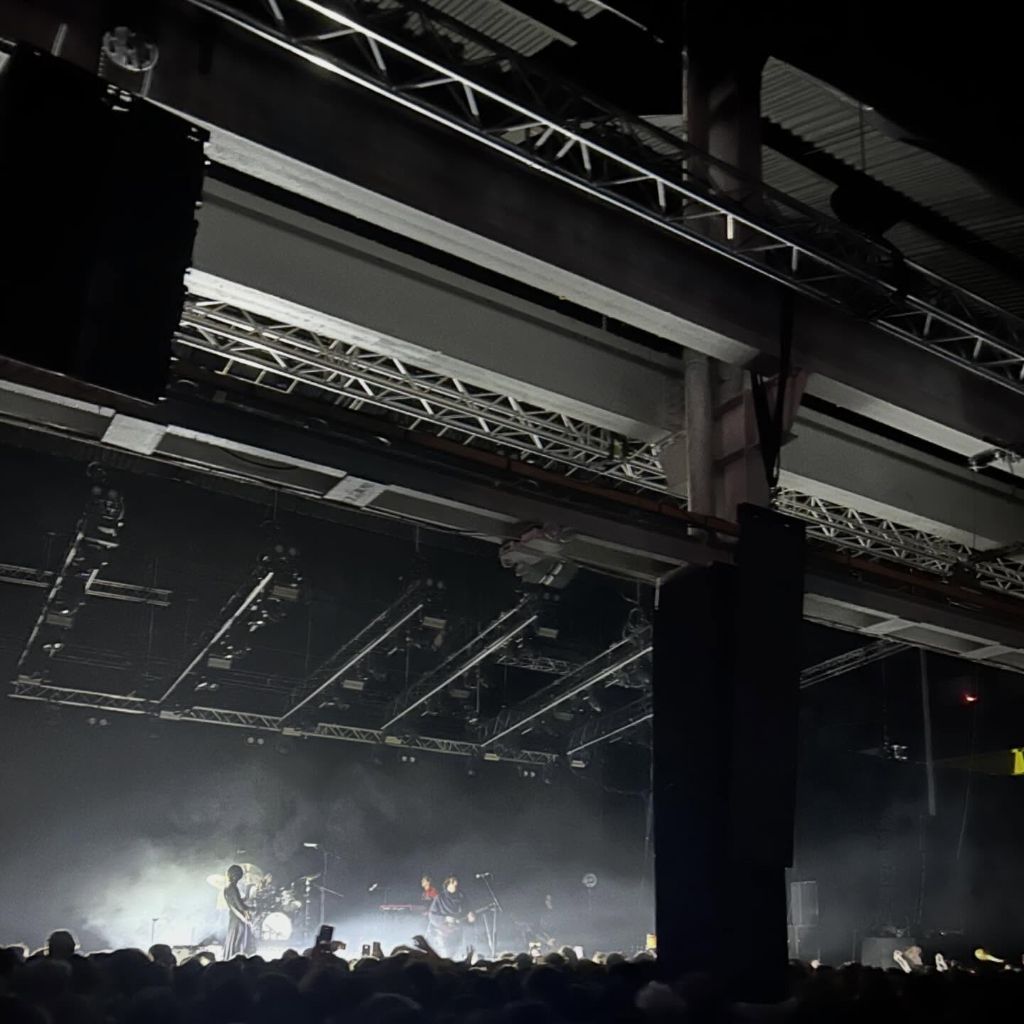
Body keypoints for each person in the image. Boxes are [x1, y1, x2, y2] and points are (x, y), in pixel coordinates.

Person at [427, 876, 474, 959]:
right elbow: (432, 915)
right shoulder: (440, 898)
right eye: (453, 883)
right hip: (443, 933)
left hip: (456, 931)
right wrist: (445, 918)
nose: (455, 885)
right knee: (446, 956)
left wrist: (470, 916)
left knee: (456, 954)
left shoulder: (461, 897)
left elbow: (467, 910)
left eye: (456, 884)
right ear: (448, 884)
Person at [222, 863, 257, 959]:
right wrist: (251, 909)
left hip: (234, 917)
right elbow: (240, 906)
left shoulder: (227, 888)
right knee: (239, 940)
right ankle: (238, 959)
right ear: (236, 876)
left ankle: (231, 957)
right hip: (238, 918)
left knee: (234, 938)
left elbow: (237, 902)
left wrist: (247, 895)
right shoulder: (232, 888)